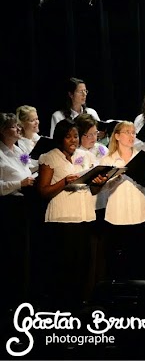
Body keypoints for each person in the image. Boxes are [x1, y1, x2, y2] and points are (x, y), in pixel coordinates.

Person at [36, 119, 102, 308]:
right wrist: (64, 181)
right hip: (62, 218)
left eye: (75, 136)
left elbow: (95, 190)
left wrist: (98, 181)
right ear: (60, 139)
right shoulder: (50, 157)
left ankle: (79, 304)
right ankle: (62, 307)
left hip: (84, 215)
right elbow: (43, 191)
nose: (73, 140)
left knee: (83, 265)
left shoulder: (85, 156)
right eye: (68, 137)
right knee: (65, 266)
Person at [96, 121, 145, 280]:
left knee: (141, 259)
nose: (131, 136)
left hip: (140, 213)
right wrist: (113, 178)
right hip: (117, 214)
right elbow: (100, 189)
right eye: (127, 132)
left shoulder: (142, 158)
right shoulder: (108, 160)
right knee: (118, 260)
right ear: (117, 136)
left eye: (133, 132)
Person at [0, 113, 36, 306]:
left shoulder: (19, 148)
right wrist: (19, 183)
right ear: (3, 130)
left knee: (25, 253)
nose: (18, 129)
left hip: (25, 205)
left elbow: (28, 166)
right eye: (14, 126)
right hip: (8, 208)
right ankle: (10, 300)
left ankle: (24, 295)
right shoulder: (0, 153)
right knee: (11, 253)